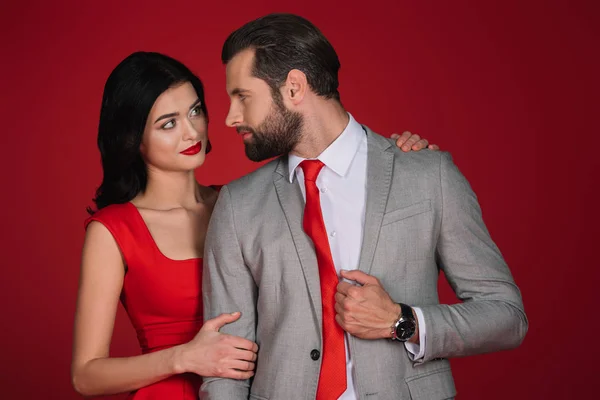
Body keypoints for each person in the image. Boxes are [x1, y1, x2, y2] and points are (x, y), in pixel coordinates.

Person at [201, 13, 528, 400]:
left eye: (242, 96)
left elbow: (507, 316)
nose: (229, 117)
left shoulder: (427, 175)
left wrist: (403, 322)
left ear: (293, 87)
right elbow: (227, 367)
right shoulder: (237, 205)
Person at [71, 51, 434, 399]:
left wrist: (400, 162)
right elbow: (85, 375)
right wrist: (184, 357)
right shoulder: (113, 230)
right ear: (133, 139)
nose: (191, 131)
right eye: (168, 123)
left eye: (195, 111)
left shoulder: (245, 204)